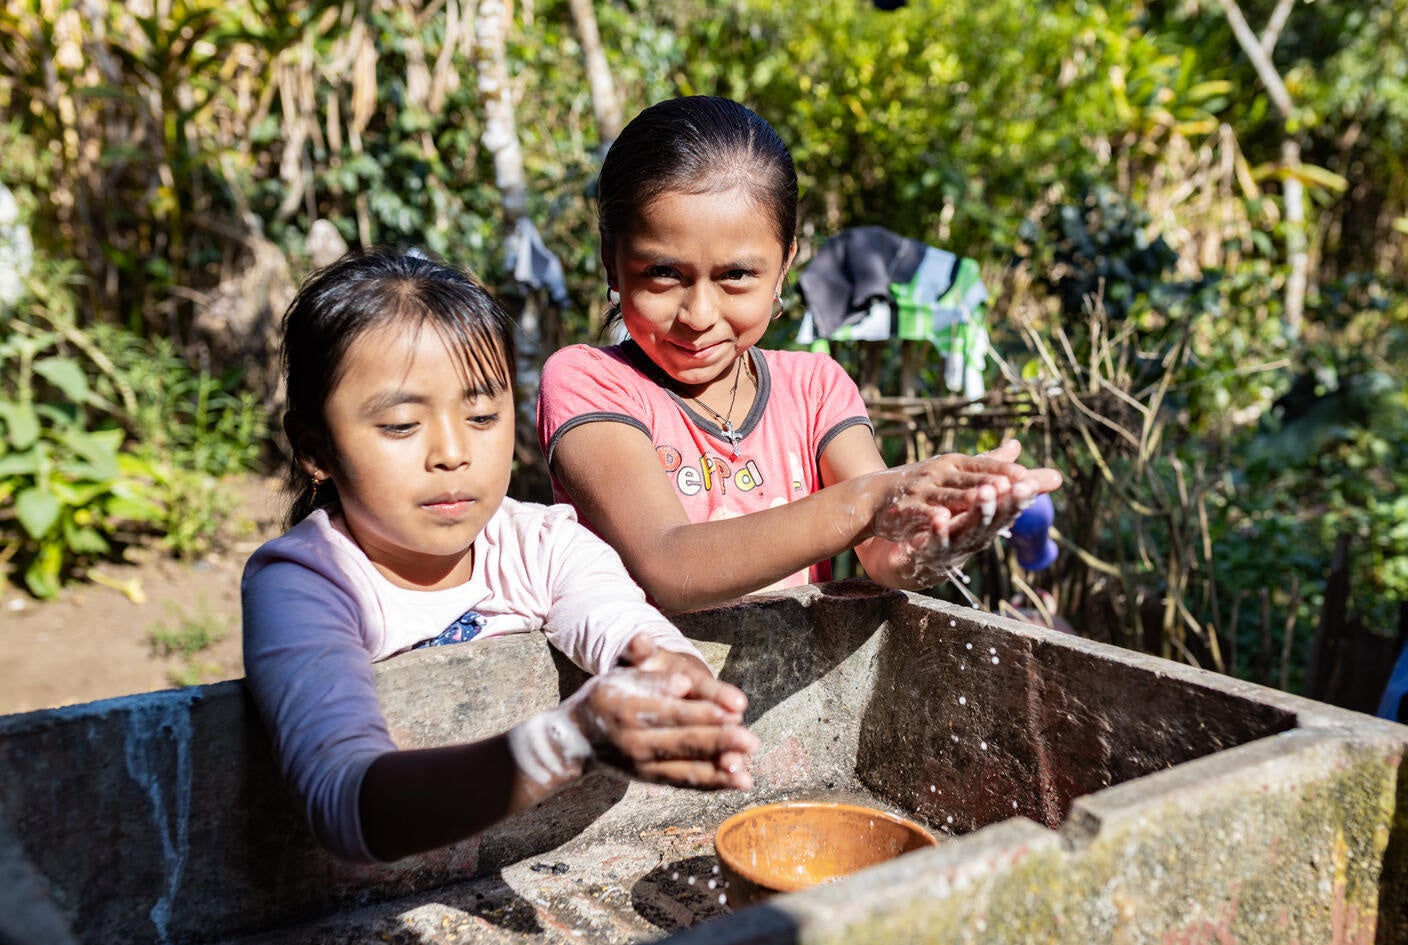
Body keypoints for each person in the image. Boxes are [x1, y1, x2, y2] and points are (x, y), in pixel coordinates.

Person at [242, 248, 759, 864]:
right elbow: (346, 803)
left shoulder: (541, 544)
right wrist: (565, 741)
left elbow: (629, 629)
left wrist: (679, 689)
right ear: (315, 449)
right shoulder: (307, 583)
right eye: (403, 426)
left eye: (483, 415)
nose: (453, 452)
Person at [537, 96, 1063, 613]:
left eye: (736, 276)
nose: (698, 314)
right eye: (663, 273)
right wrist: (872, 500)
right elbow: (671, 565)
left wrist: (941, 532)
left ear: (784, 265)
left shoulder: (815, 389)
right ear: (612, 260)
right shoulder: (589, 382)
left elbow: (885, 555)